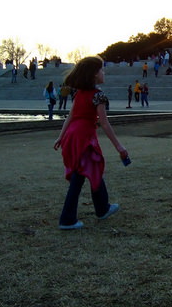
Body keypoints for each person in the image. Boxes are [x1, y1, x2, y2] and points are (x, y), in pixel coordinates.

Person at [53, 56, 128, 230]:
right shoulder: (98, 96)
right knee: (80, 176)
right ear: (94, 74)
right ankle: (68, 219)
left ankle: (102, 208)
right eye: (101, 69)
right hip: (84, 137)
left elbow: (71, 116)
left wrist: (61, 136)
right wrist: (119, 146)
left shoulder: (79, 94)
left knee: (92, 169)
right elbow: (104, 123)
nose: (104, 72)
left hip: (72, 136)